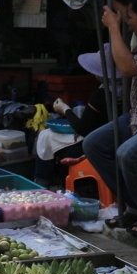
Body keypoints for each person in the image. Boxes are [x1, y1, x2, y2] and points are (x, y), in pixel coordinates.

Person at [84, 0, 137, 236]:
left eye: (130, 18)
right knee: (94, 144)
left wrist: (112, 28)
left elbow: (127, 68)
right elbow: (121, 7)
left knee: (127, 154)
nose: (127, 23)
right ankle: (136, 204)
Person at [33, 45, 120, 186]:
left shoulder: (101, 95)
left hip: (97, 148)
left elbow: (83, 128)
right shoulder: (128, 89)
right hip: (111, 142)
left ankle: (41, 183)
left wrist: (65, 109)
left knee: (45, 136)